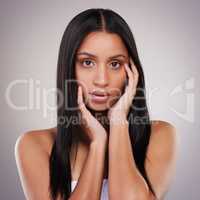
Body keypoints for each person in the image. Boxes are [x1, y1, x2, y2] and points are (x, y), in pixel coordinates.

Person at [15, 8, 178, 200]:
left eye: (115, 64)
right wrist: (98, 144)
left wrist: (118, 122)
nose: (101, 80)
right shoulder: (35, 145)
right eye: (87, 62)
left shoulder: (160, 136)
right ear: (69, 68)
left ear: (131, 71)